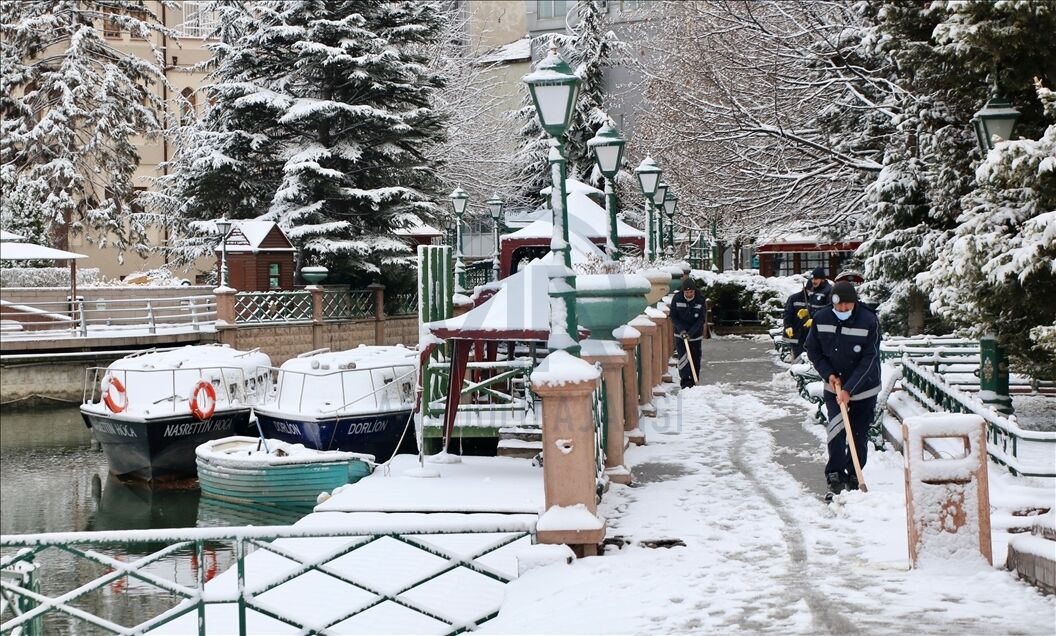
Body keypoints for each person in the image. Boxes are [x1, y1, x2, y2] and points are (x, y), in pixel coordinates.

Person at [804, 280, 881, 501]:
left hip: (864, 387)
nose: (843, 310)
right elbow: (813, 349)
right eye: (839, 307)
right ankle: (835, 475)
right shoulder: (821, 319)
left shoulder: (868, 320)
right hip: (833, 384)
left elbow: (869, 359)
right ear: (833, 304)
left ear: (855, 303)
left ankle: (855, 474)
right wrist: (828, 373)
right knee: (836, 430)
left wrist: (849, 388)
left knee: (858, 431)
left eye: (848, 306)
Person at [781, 268, 832, 360]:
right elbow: (788, 313)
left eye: (816, 279)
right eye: (812, 279)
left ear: (822, 279)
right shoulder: (814, 292)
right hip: (803, 334)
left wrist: (814, 319)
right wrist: (807, 312)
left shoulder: (828, 291)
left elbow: (828, 310)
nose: (813, 281)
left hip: (819, 332)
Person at [670, 277, 706, 389]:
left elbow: (701, 319)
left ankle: (695, 382)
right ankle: (685, 383)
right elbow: (674, 316)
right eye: (687, 292)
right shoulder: (677, 298)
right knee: (683, 359)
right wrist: (682, 330)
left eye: (691, 292)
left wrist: (690, 333)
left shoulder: (700, 299)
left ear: (694, 291)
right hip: (680, 334)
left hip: (695, 335)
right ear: (683, 291)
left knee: (695, 358)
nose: (689, 294)